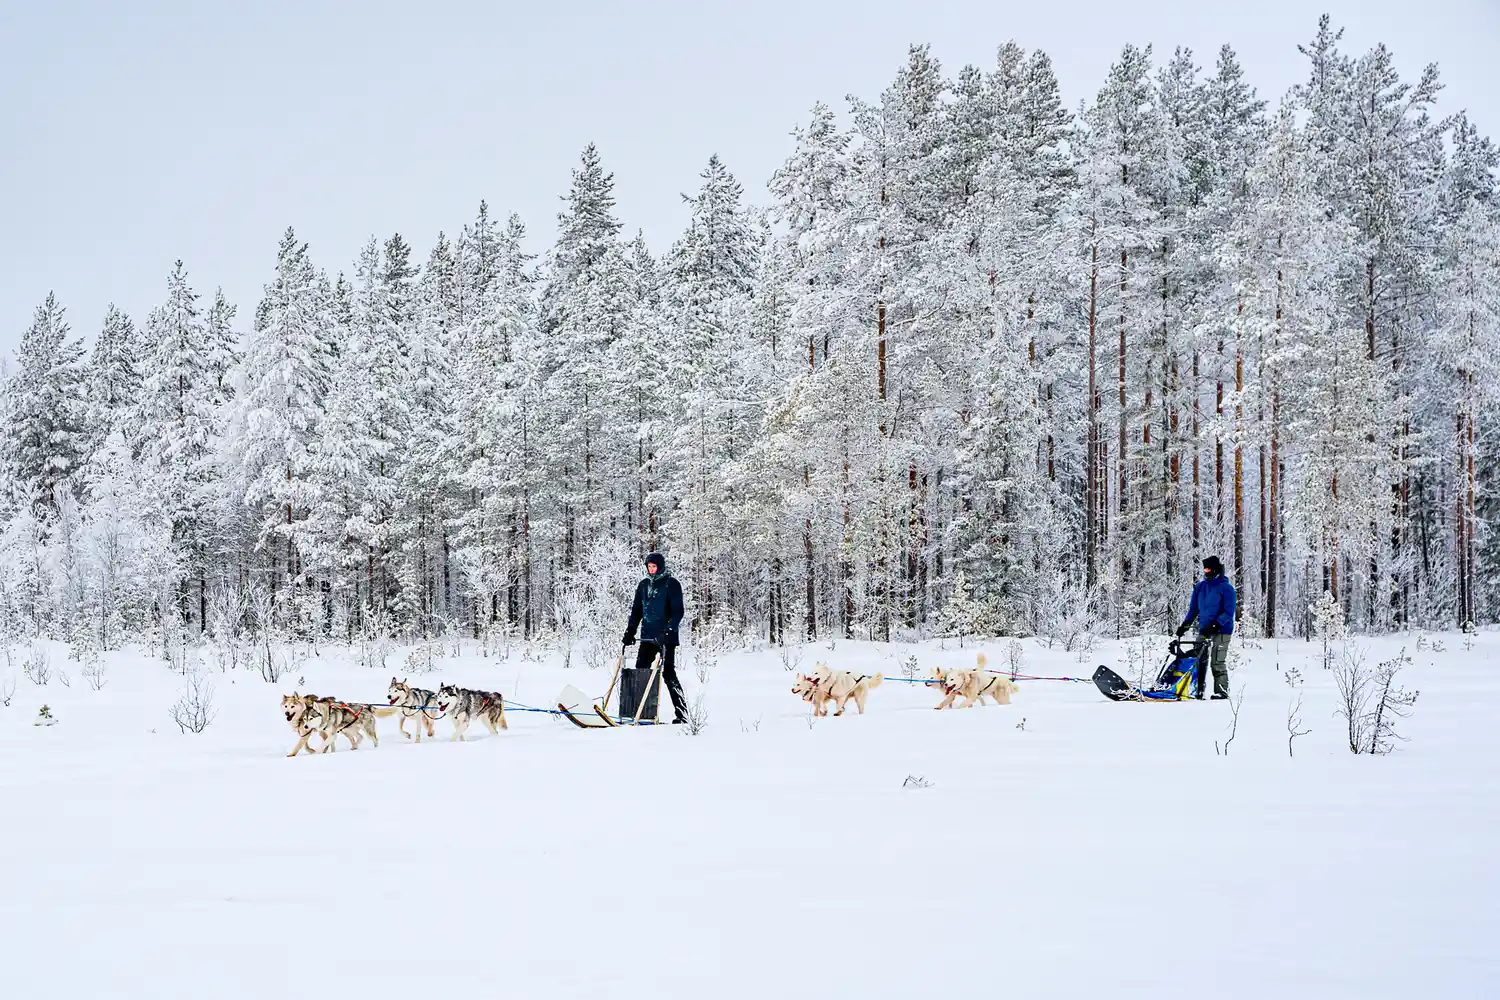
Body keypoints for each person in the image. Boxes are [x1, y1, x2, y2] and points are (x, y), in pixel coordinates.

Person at [622, 550, 688, 723]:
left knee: (668, 674)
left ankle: (682, 713)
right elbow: (636, 611)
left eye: (654, 566)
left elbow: (677, 611)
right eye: (649, 566)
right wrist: (630, 631)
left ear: (661, 567)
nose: (651, 570)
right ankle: (641, 712)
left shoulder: (671, 584)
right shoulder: (643, 585)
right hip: (647, 637)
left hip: (666, 637)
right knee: (641, 671)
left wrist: (668, 631)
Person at [1176, 555, 1236, 700]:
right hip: (1204, 629)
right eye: (1205, 569)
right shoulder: (1200, 588)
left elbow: (1229, 611)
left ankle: (1221, 691)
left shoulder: (1227, 589)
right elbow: (1194, 609)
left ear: (1215, 569)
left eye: (1209, 569)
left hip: (1222, 630)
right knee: (1198, 658)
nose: (1206, 571)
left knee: (1217, 661)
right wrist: (1185, 625)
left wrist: (1216, 625)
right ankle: (1197, 689)